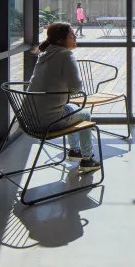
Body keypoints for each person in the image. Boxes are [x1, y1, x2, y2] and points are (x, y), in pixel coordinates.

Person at [27, 21, 101, 174]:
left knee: (70, 109)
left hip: (28, 118)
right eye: (71, 35)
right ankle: (87, 160)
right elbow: (76, 88)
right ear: (61, 40)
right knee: (85, 113)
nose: (75, 37)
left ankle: (75, 151)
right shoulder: (66, 55)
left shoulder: (45, 54)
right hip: (47, 122)